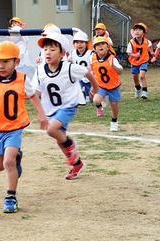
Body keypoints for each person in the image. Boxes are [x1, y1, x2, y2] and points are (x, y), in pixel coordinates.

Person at [0, 41, 48, 213]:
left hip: (14, 128)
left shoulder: (22, 80)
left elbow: (33, 96)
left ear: (16, 62)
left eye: (6, 61)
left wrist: (41, 113)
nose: (1, 65)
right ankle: (16, 158)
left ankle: (10, 197)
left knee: (8, 162)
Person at [31, 32, 99, 180]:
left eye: (52, 49)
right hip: (50, 109)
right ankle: (77, 163)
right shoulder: (40, 70)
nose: (48, 52)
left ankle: (72, 146)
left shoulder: (69, 68)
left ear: (62, 53)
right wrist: (40, 111)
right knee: (59, 138)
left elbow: (87, 72)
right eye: (45, 49)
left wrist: (95, 87)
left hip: (68, 105)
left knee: (51, 129)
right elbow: (35, 92)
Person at [90, 37, 123, 131]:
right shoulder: (92, 58)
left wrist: (113, 66)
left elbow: (120, 72)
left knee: (114, 105)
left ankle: (114, 121)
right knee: (96, 100)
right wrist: (93, 82)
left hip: (113, 85)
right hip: (101, 85)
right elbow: (91, 69)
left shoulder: (112, 59)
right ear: (95, 49)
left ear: (108, 47)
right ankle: (100, 107)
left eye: (103, 44)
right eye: (98, 45)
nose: (100, 46)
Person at [127, 23, 154, 99]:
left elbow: (150, 47)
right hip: (134, 62)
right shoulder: (131, 42)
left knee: (142, 76)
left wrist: (152, 53)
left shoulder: (147, 41)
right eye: (135, 30)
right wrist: (134, 55)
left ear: (144, 32)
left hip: (143, 61)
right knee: (135, 78)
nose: (137, 31)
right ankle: (138, 88)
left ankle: (145, 92)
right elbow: (129, 52)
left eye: (139, 30)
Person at [69, 30, 93, 102]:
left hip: (89, 77)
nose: (79, 44)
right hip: (79, 77)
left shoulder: (90, 53)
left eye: (82, 42)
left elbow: (94, 63)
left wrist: (89, 68)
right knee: (76, 88)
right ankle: (80, 96)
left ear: (86, 43)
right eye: (77, 42)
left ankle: (87, 95)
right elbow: (69, 61)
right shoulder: (73, 53)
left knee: (91, 96)